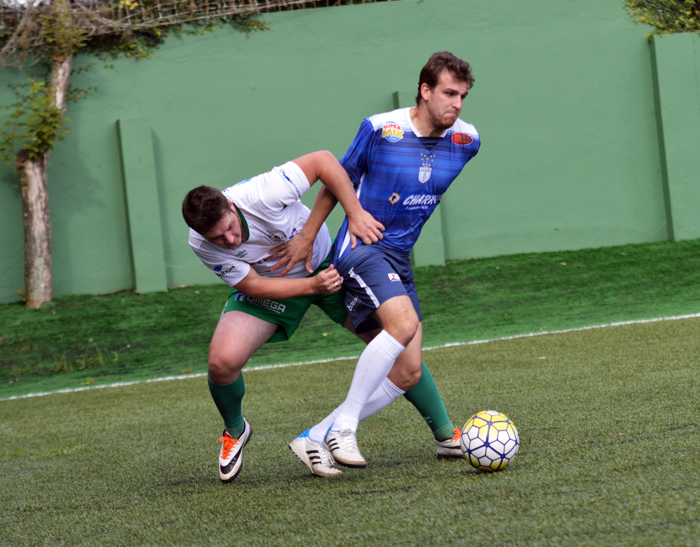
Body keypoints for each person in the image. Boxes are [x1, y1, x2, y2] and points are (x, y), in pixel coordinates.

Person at [289, 51, 481, 472]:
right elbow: (335, 181)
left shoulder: (467, 141)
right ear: (425, 90)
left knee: (409, 371)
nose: (457, 104)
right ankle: (345, 428)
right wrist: (308, 236)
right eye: (449, 93)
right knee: (403, 325)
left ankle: (315, 436)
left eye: (463, 96)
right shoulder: (380, 128)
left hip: (399, 258)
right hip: (361, 248)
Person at [182, 151, 383, 483]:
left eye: (230, 229)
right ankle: (235, 430)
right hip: (275, 286)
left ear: (232, 207)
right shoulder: (201, 244)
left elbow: (324, 162)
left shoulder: (263, 193)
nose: (229, 241)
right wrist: (310, 287)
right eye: (218, 238)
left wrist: (350, 215)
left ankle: (446, 435)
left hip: (325, 266)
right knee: (221, 362)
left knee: (390, 345)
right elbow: (253, 285)